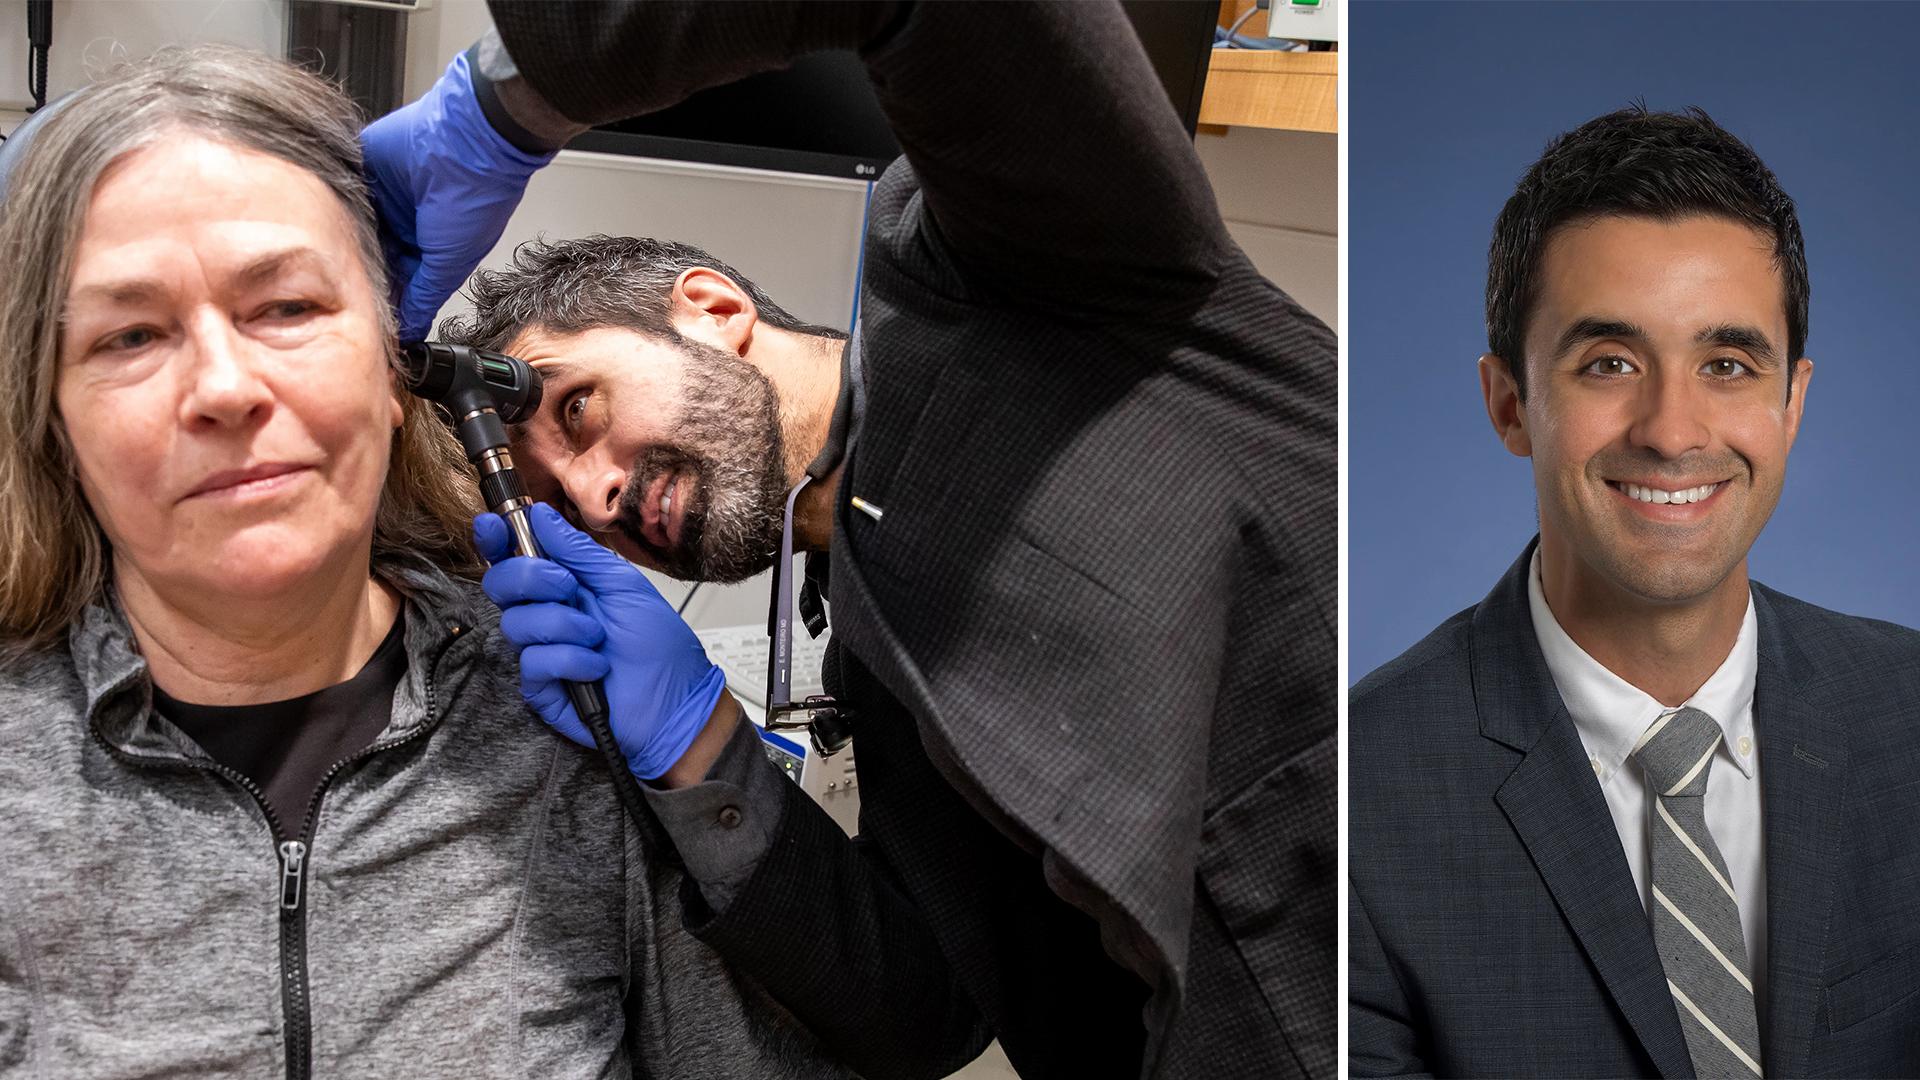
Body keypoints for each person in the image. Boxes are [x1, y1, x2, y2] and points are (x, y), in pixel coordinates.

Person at [364, 4, 1336, 1078]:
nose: (598, 500)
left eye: (581, 410)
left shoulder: (1027, 278)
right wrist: (702, 746)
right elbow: (930, 1015)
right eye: (561, 503)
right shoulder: (873, 663)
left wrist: (505, 104)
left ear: (710, 307)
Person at [0, 44, 850, 1080]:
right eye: (130, 335)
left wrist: (709, 758)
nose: (224, 386)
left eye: (288, 308)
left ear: (390, 365)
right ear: (49, 412)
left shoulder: (571, 731)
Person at [1348, 106, 1920, 1078]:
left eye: (1728, 364)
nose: (1670, 428)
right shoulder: (1361, 802)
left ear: (1794, 403)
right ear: (1510, 403)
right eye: (1609, 363)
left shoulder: (1909, 715)